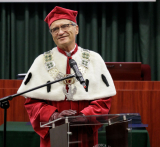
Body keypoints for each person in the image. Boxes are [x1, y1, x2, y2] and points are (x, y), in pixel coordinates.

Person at [17, 6, 116, 147]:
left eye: (65, 26)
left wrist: (84, 116)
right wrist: (53, 115)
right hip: (55, 132)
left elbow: (104, 101)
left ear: (76, 29)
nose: (60, 32)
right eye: (55, 29)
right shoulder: (41, 61)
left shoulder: (94, 59)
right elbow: (32, 104)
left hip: (84, 133)